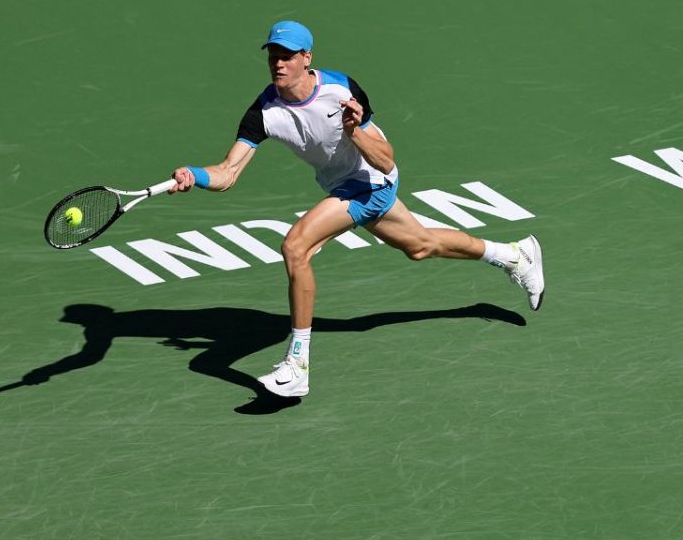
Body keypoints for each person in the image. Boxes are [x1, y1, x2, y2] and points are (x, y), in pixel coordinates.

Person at [169, 20, 544, 398]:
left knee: (296, 246)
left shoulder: (341, 90)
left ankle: (297, 364)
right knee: (420, 246)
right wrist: (194, 175)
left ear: (306, 58)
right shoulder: (264, 111)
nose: (278, 64)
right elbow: (228, 173)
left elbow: (385, 161)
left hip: (371, 183)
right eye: (273, 57)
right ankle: (514, 256)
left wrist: (354, 131)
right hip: (340, 186)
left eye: (286, 57)